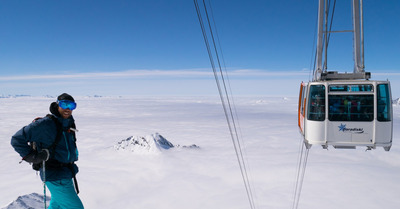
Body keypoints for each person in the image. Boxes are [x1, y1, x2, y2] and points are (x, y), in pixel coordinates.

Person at [11, 93, 84, 209]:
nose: (68, 109)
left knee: (57, 206)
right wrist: (33, 156)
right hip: (54, 175)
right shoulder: (46, 124)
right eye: (64, 104)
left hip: (66, 173)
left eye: (72, 106)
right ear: (57, 105)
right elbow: (16, 139)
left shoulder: (68, 123)